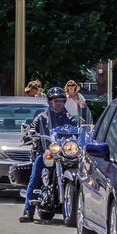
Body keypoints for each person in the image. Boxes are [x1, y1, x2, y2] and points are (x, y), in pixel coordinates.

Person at [20, 86, 78, 223]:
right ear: (50, 102)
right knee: (35, 175)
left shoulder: (69, 117)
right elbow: (32, 129)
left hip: (65, 153)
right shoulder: (41, 117)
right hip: (47, 152)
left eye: (61, 101)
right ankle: (28, 211)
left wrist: (84, 133)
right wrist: (31, 133)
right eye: (56, 101)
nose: (59, 104)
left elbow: (78, 129)